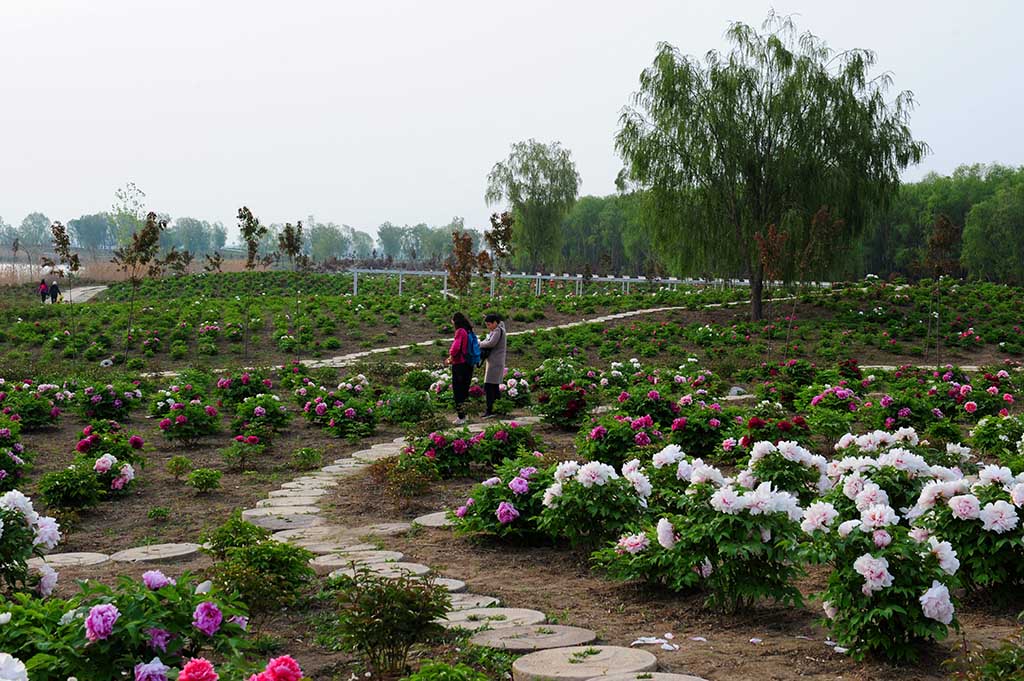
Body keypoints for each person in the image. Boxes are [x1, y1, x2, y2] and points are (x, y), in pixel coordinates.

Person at [445, 311, 475, 425]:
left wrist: (450, 357)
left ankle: (461, 416)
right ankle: (465, 415)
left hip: (460, 364)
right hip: (468, 363)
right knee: (465, 390)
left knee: (458, 391)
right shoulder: (468, 330)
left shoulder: (460, 331)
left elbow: (456, 348)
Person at [479, 313, 507, 418]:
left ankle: (490, 410)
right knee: (494, 386)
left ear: (495, 323)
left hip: (495, 362)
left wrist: (478, 344)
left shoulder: (497, 331)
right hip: (495, 361)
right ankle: (497, 408)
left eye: (489, 324)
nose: (488, 327)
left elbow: (491, 343)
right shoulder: (497, 330)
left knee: (489, 386)